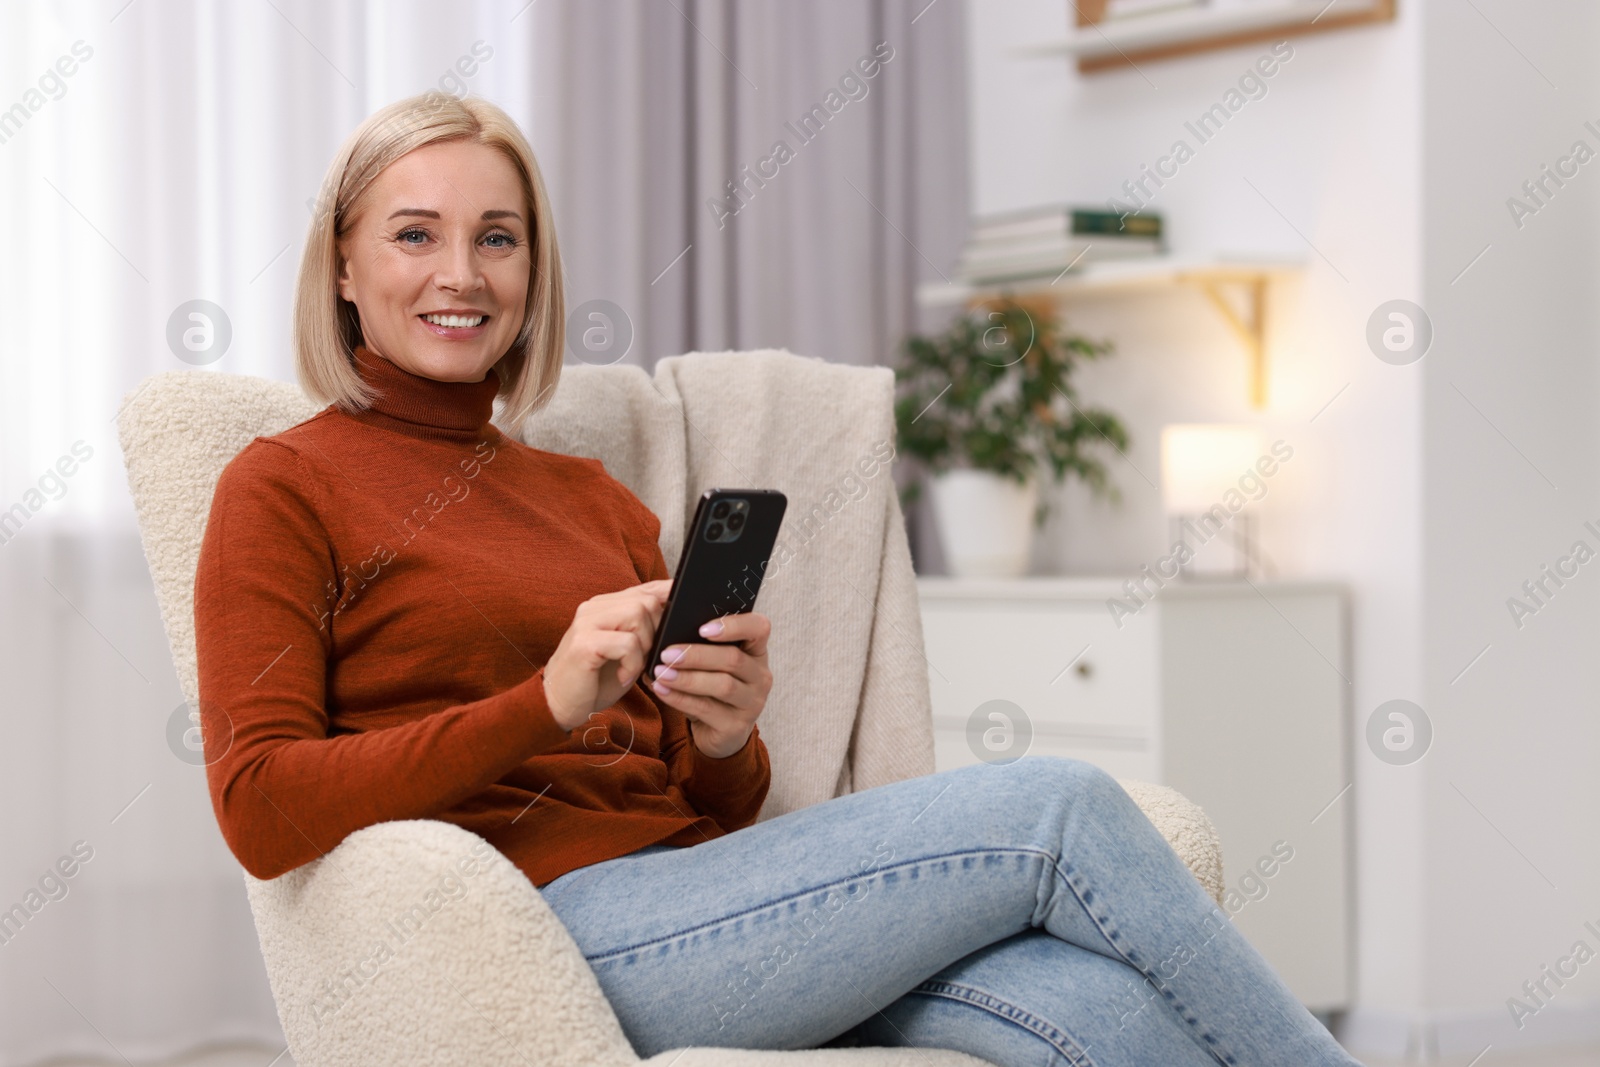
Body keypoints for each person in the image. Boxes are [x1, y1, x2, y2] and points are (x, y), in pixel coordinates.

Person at [193, 90, 1363, 1067]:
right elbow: (261, 807)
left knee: (1087, 1010)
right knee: (1058, 807)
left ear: (533, 267)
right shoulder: (282, 485)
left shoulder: (588, 494)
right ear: (342, 261)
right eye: (414, 233)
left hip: (712, 902)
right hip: (541, 931)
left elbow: (697, 803)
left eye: (498, 237)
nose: (462, 271)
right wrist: (539, 704)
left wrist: (721, 735)